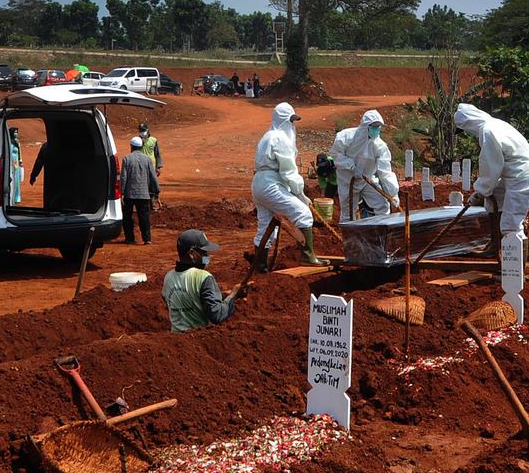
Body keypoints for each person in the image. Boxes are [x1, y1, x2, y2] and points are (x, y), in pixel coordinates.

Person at [454, 103, 529, 252]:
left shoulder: (488, 132)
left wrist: (481, 191)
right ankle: (495, 247)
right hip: (515, 173)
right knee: (494, 199)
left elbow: (491, 167)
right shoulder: (495, 124)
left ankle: (515, 265)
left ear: (468, 124)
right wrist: (485, 192)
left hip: (521, 177)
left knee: (511, 226)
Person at [251, 102, 327, 268]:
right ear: (283, 121)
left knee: (265, 225)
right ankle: (307, 256)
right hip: (271, 183)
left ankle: (260, 264)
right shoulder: (280, 138)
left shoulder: (267, 136)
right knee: (303, 214)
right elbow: (289, 172)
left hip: (258, 183)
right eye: (291, 120)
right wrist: (300, 194)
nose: (293, 125)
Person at [163, 229, 239, 332]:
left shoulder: (168, 278)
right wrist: (233, 296)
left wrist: (220, 295)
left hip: (176, 338)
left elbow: (187, 297)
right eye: (204, 252)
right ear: (192, 253)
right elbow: (217, 315)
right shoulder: (203, 277)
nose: (207, 256)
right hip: (198, 338)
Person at [331, 109, 400, 221]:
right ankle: (350, 232)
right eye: (374, 126)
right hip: (347, 182)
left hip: (367, 180)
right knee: (348, 213)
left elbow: (385, 171)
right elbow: (336, 154)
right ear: (365, 126)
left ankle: (381, 230)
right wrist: (351, 166)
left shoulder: (380, 146)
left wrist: (393, 194)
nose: (377, 129)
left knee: (382, 205)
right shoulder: (346, 137)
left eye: (378, 126)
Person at [121, 136, 159, 244]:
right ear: (141, 147)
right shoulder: (147, 159)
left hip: (129, 194)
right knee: (144, 217)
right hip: (143, 193)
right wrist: (157, 189)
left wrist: (122, 192)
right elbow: (153, 176)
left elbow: (123, 177)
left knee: (127, 217)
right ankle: (147, 239)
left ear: (131, 147)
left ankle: (130, 238)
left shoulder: (126, 159)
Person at [137, 122, 163, 209]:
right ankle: (144, 204)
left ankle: (153, 203)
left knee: (153, 185)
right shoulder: (137, 141)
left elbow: (157, 154)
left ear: (147, 130)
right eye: (140, 131)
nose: (142, 132)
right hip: (141, 166)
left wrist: (158, 167)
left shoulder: (153, 140)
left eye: (143, 130)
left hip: (152, 166)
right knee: (142, 185)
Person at [8, 128, 23, 205]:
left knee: (16, 180)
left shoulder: (17, 142)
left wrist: (20, 161)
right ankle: (11, 197)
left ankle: (17, 197)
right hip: (10, 163)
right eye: (15, 132)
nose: (16, 133)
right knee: (11, 180)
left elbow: (19, 153)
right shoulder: (8, 142)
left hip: (16, 163)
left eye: (17, 132)